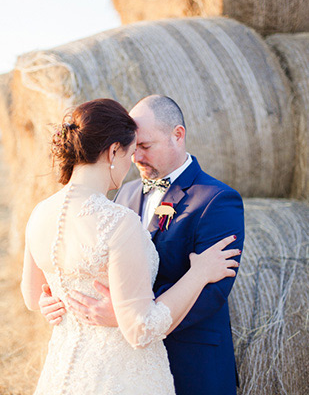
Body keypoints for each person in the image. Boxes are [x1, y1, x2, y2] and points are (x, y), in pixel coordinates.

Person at [21, 98, 241, 395]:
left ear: (178, 135)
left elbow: (213, 292)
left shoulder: (217, 199)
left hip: (191, 364)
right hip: (113, 367)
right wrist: (54, 300)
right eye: (132, 146)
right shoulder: (123, 193)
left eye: (145, 145)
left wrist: (123, 316)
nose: (136, 155)